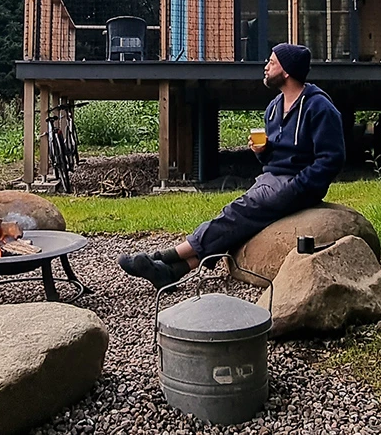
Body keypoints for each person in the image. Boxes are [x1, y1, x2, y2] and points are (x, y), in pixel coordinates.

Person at [119, 42, 345, 289]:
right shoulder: (273, 108)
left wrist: (299, 185)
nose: (266, 67)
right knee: (241, 223)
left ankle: (164, 256)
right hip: (271, 180)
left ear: (287, 71)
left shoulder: (318, 106)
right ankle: (173, 272)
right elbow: (274, 159)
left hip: (298, 184)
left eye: (272, 62)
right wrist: (263, 151)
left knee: (236, 213)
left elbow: (332, 158)